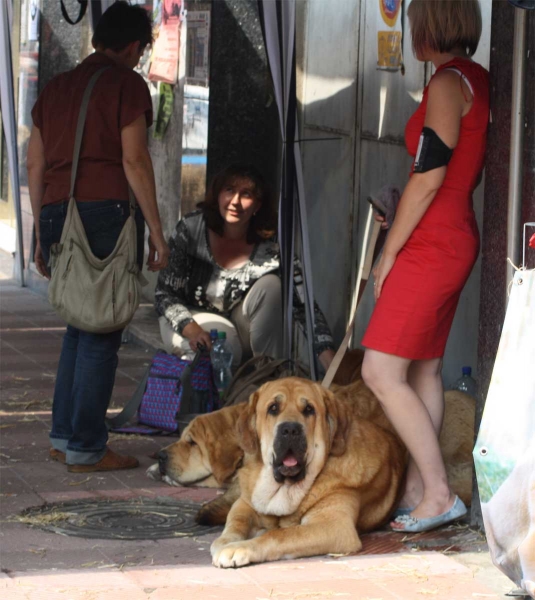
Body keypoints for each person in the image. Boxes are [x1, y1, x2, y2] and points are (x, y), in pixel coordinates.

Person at [360, 0, 489, 532]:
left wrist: (387, 253)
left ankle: (437, 491)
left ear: (431, 23)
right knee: (424, 369)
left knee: (379, 370)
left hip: (432, 240)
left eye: (414, 20)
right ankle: (419, 489)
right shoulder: (475, 79)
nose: (410, 29)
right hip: (454, 233)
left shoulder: (444, 84)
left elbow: (429, 175)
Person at [26, 2, 169, 472]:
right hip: (102, 211)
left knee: (78, 326)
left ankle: (64, 435)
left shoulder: (55, 87)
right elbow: (134, 161)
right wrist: (156, 227)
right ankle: (87, 445)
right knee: (101, 329)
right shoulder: (127, 84)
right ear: (133, 46)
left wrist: (39, 228)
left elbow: (35, 165)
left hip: (54, 210)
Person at [155, 164, 335, 370]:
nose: (235, 202)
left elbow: (303, 305)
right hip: (188, 319)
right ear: (218, 195)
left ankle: (268, 376)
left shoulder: (272, 245)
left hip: (239, 323)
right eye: (229, 190)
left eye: (246, 194)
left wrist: (332, 364)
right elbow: (164, 295)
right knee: (222, 349)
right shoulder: (191, 229)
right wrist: (193, 330)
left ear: (258, 205)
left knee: (273, 285)